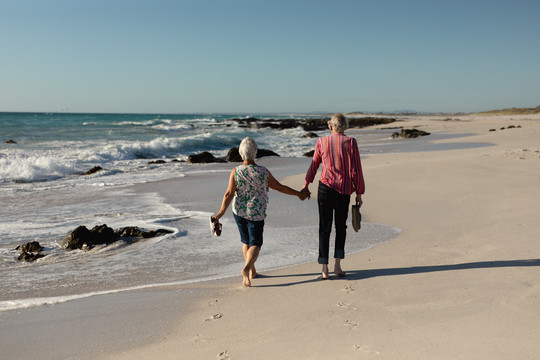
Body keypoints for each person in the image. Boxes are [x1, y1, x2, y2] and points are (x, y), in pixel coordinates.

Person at [213, 137, 308, 287]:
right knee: (256, 244)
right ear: (255, 152)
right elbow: (280, 187)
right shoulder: (263, 172)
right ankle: (246, 269)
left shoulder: (236, 171)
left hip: (239, 211)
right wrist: (299, 194)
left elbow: (229, 194)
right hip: (256, 212)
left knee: (246, 242)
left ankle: (252, 272)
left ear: (241, 153)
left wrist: (220, 213)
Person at [301, 113, 365, 279]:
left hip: (325, 188)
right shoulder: (351, 142)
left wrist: (306, 183)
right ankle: (337, 265)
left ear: (331, 127)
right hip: (343, 190)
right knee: (340, 227)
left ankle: (324, 268)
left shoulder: (322, 141)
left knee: (324, 227)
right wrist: (359, 192)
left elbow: (314, 164)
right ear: (345, 127)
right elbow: (356, 169)